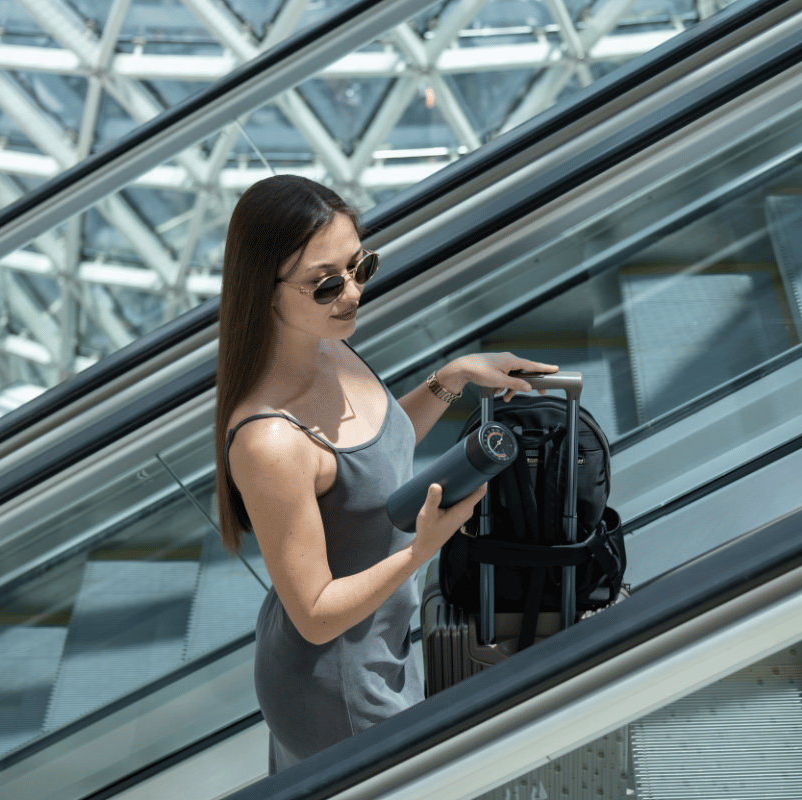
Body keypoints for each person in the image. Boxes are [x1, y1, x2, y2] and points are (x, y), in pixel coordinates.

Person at [212, 174, 555, 773]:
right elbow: (315, 615)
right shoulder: (269, 440)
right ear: (264, 291)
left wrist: (453, 377)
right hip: (335, 685)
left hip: (378, 644)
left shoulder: (327, 345)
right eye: (325, 284)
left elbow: (377, 452)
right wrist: (422, 549)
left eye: (359, 267)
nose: (351, 294)